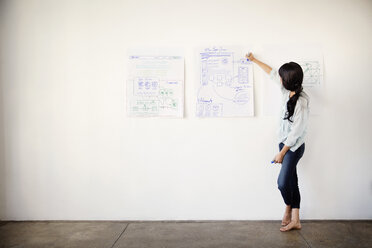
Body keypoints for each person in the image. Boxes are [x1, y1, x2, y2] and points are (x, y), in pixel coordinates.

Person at [246, 53, 310, 232]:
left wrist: (282, 153)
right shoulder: (285, 91)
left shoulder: (302, 102)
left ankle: (288, 207)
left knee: (282, 183)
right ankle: (295, 219)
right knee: (292, 181)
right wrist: (254, 60)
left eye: (282, 77)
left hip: (294, 147)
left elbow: (296, 132)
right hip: (283, 144)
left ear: (288, 80)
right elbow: (272, 73)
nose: (279, 78)